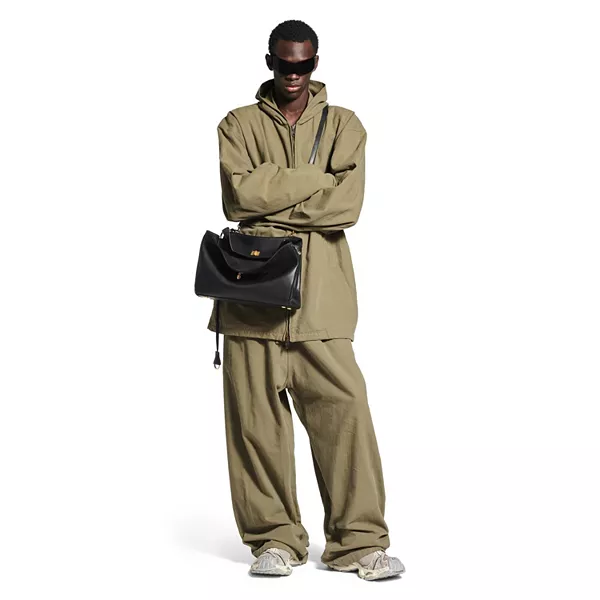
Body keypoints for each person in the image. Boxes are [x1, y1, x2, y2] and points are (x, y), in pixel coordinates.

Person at [207, 19, 406, 581]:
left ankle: (358, 543)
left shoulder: (345, 125)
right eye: (283, 63)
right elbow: (238, 197)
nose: (292, 74)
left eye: (303, 64)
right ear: (269, 61)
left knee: (347, 416)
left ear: (315, 63)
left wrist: (272, 195)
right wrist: (315, 181)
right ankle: (274, 539)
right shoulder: (237, 124)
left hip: (324, 304)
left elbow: (347, 205)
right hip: (250, 305)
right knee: (255, 428)